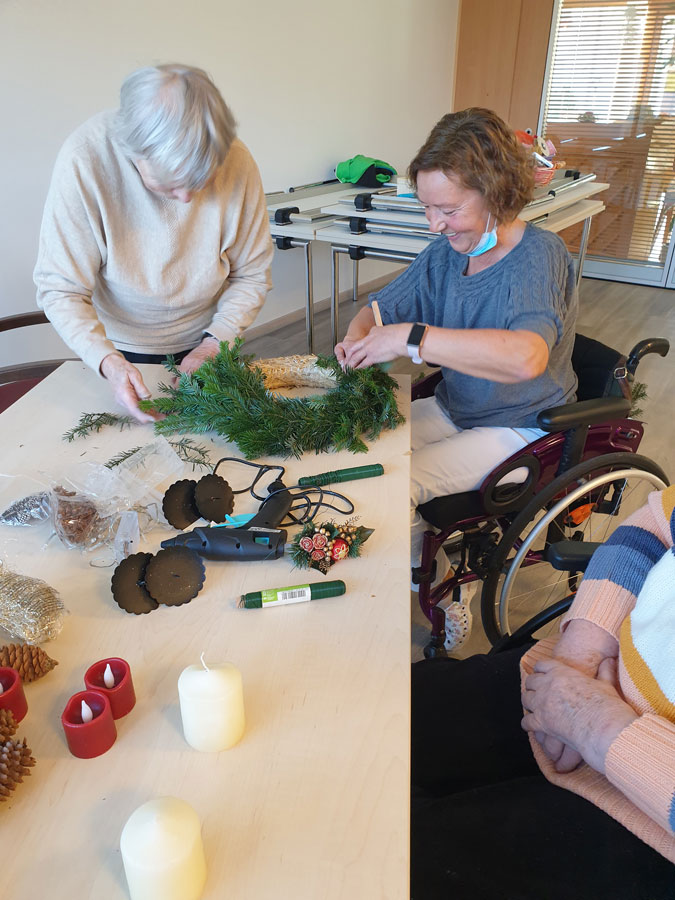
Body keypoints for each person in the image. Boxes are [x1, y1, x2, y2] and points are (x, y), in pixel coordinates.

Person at [334, 108, 578, 645]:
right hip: (458, 404)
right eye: (426, 208)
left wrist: (411, 337)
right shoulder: (446, 253)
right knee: (363, 454)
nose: (434, 225)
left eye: (447, 209)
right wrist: (357, 340)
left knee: (398, 486)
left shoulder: (538, 256)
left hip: (524, 425)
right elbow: (378, 309)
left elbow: (526, 358)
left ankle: (443, 589)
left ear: (497, 192)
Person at [410, 485, 675, 898]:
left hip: (655, 813)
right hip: (590, 672)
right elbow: (656, 524)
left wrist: (600, 729)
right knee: (396, 712)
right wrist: (582, 653)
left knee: (410, 861)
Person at [34, 63, 273, 422]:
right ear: (135, 152)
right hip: (120, 351)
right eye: (169, 185)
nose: (188, 200)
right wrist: (109, 364)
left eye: (201, 181)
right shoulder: (86, 159)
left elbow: (252, 275)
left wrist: (215, 343)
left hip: (209, 343)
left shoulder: (236, 160)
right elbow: (60, 289)